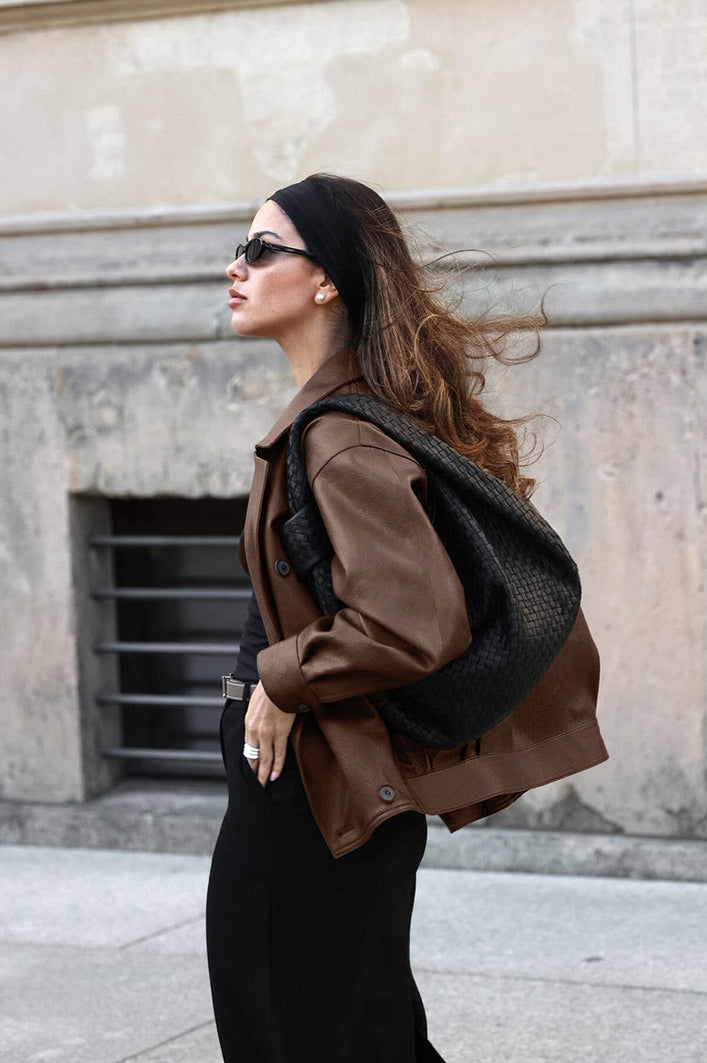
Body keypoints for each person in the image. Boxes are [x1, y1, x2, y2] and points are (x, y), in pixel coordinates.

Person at [206, 174, 607, 1063]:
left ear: (326, 278)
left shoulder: (337, 437)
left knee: (290, 1030)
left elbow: (405, 621)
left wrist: (280, 680)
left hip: (313, 790)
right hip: (326, 782)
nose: (235, 267)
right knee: (360, 1027)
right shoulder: (343, 419)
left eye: (261, 250)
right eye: (239, 249)